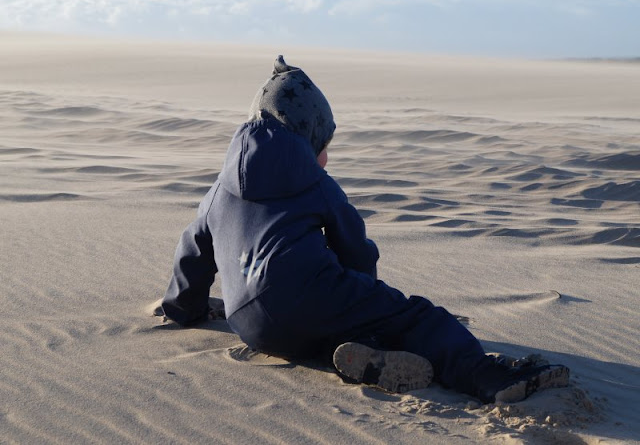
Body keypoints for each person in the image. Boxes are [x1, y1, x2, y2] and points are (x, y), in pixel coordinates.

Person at [160, 55, 569, 403]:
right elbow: (354, 248)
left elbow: (193, 248)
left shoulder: (219, 189)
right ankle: (487, 377)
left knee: (312, 327)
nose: (326, 157)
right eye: (324, 146)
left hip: (249, 324)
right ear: (309, 135)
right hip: (306, 296)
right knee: (419, 318)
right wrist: (366, 298)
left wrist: (185, 308)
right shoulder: (316, 182)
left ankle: (360, 354)